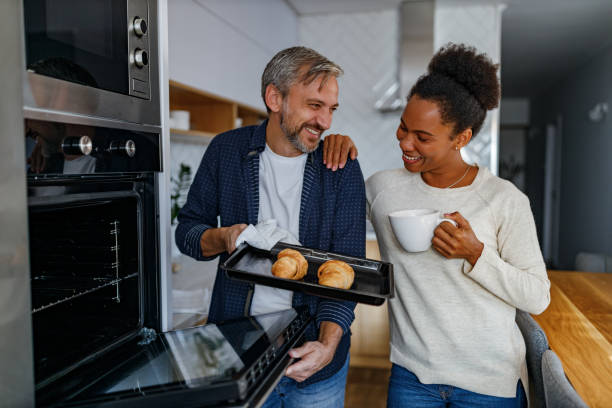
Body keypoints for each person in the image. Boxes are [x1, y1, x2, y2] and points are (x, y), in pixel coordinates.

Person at [176, 46, 365, 407]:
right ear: (274, 97)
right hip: (237, 353)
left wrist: (327, 345)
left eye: (331, 110)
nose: (326, 122)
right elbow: (187, 233)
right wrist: (223, 237)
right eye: (314, 105)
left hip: (315, 363)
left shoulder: (339, 168)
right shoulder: (226, 151)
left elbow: (347, 272)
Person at [366, 44, 551, 407]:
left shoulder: (504, 199)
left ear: (462, 138)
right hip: (412, 377)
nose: (405, 142)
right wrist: (333, 149)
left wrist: (476, 253)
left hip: (490, 383)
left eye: (423, 137)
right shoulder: (381, 190)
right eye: (403, 128)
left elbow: (537, 296)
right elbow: (327, 213)